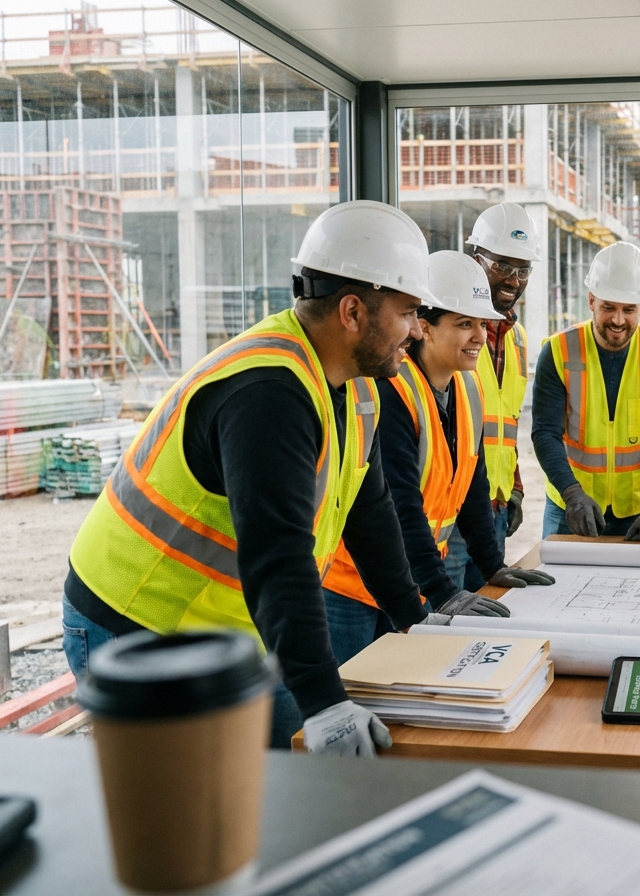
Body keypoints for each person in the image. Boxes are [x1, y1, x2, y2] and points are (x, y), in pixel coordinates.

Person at [62, 201, 478, 756]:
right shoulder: (267, 393)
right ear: (353, 311)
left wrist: (413, 618)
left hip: (225, 622)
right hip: (138, 623)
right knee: (191, 811)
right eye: (407, 312)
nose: (415, 330)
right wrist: (326, 701)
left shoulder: (355, 385)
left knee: (263, 788)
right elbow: (278, 554)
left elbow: (369, 511)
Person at [322, 251, 554, 664]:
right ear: (424, 328)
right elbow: (400, 508)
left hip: (414, 582)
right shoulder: (391, 392)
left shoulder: (468, 389)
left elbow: (472, 485)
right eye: (465, 324)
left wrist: (491, 565)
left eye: (482, 324)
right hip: (352, 586)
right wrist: (444, 591)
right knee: (355, 695)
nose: (480, 337)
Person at [532, 241, 640, 541]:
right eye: (608, 308)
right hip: (570, 506)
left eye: (628, 310)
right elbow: (544, 432)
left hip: (638, 511)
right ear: (591, 300)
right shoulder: (558, 351)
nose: (617, 320)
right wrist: (572, 493)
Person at [443, 204, 539, 590]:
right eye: (502, 265)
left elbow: (507, 421)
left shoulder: (517, 339)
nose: (513, 280)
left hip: (494, 508)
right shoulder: (449, 333)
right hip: (450, 512)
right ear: (475, 260)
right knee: (441, 628)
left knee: (485, 617)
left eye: (523, 270)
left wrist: (514, 487)